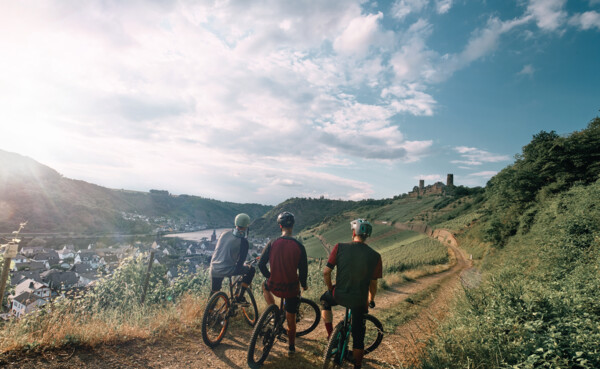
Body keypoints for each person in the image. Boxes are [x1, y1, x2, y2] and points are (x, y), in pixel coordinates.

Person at [320, 219, 382, 369]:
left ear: (354, 232)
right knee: (358, 337)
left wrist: (330, 289)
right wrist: (370, 299)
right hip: (359, 301)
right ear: (367, 236)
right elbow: (373, 284)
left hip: (339, 294)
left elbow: (326, 272)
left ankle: (331, 336)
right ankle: (358, 365)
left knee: (324, 300)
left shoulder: (339, 247)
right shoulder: (375, 256)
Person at [258, 211, 308, 355]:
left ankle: (273, 310)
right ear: (292, 226)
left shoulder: (272, 243)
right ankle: (291, 348)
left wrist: (270, 276)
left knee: (264, 286)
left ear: (280, 226)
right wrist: (304, 284)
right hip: (291, 289)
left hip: (274, 285)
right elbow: (303, 271)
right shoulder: (299, 246)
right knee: (291, 320)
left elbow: (261, 265)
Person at [209, 213, 255, 301]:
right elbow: (240, 262)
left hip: (214, 267)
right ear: (246, 226)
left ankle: (208, 313)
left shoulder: (224, 233)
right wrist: (244, 266)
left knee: (214, 292)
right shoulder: (243, 242)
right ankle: (239, 296)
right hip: (227, 269)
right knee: (251, 270)